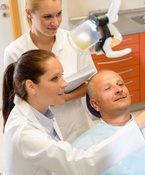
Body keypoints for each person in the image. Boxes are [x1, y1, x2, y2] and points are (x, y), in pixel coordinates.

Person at [2, 49, 145, 175]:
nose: (65, 83)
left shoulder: (43, 112)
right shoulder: (24, 132)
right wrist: (140, 123)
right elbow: (81, 164)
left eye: (62, 75)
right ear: (31, 86)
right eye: (55, 78)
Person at [3, 0, 96, 143]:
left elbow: (92, 82)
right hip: (38, 130)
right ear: (29, 13)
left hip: (76, 123)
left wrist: (64, 98)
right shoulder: (15, 52)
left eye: (58, 14)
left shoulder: (74, 40)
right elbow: (17, 100)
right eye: (47, 17)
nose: (55, 22)